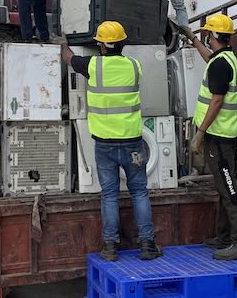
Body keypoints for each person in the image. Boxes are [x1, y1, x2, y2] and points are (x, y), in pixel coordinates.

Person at [50, 22, 163, 262]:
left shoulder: (92, 65)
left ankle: (110, 247)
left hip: (104, 145)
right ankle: (147, 245)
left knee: (109, 195)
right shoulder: (134, 66)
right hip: (133, 143)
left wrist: (62, 42)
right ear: (123, 43)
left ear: (100, 46)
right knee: (139, 192)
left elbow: (68, 58)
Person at [174, 15, 237, 261]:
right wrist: (193, 39)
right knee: (222, 187)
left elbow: (217, 100)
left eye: (207, 34)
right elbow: (209, 58)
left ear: (213, 36)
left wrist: (200, 133)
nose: (206, 36)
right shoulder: (224, 58)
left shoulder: (221, 64)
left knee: (228, 188)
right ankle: (225, 237)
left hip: (219, 137)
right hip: (221, 135)